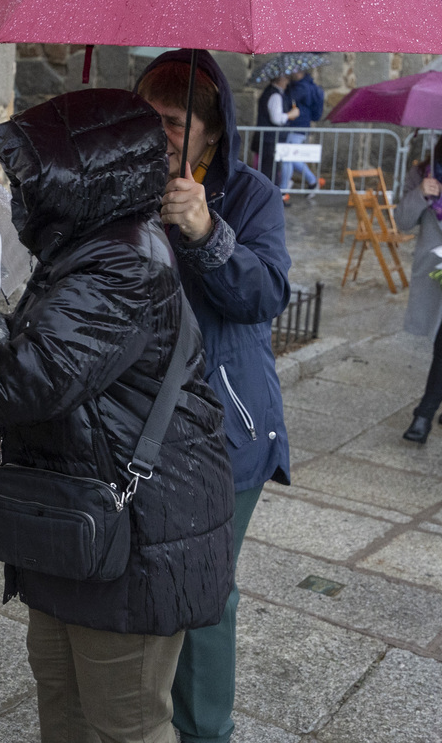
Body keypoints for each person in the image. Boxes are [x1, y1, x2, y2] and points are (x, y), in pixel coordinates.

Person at [0, 89, 235, 743]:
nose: (18, 189)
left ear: (85, 179)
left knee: (124, 720)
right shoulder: (88, 245)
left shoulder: (120, 261)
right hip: (80, 518)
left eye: (30, 177)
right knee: (64, 697)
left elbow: (32, 378)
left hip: (134, 533)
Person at [136, 49, 292, 743]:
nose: (158, 132)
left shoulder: (249, 193)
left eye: (172, 121)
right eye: (147, 118)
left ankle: (206, 731)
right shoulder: (127, 183)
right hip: (140, 421)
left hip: (225, 422)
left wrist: (204, 231)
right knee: (144, 575)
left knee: (205, 589)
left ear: (213, 133)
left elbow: (264, 296)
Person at [396, 138, 442, 443]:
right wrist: (420, 194)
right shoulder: (424, 172)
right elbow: (402, 222)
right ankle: (425, 413)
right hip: (436, 267)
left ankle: (424, 413)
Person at [254, 72, 300, 200]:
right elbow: (276, 119)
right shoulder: (274, 94)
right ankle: (268, 200)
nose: (287, 81)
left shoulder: (275, 93)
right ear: (279, 79)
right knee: (270, 173)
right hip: (270, 140)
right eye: (286, 78)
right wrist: (291, 114)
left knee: (270, 172)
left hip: (269, 139)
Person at [282, 69, 326, 195]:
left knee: (289, 157)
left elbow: (288, 100)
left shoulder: (300, 87)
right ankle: (310, 182)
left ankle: (309, 182)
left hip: (296, 126)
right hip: (300, 127)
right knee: (291, 158)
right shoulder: (309, 85)